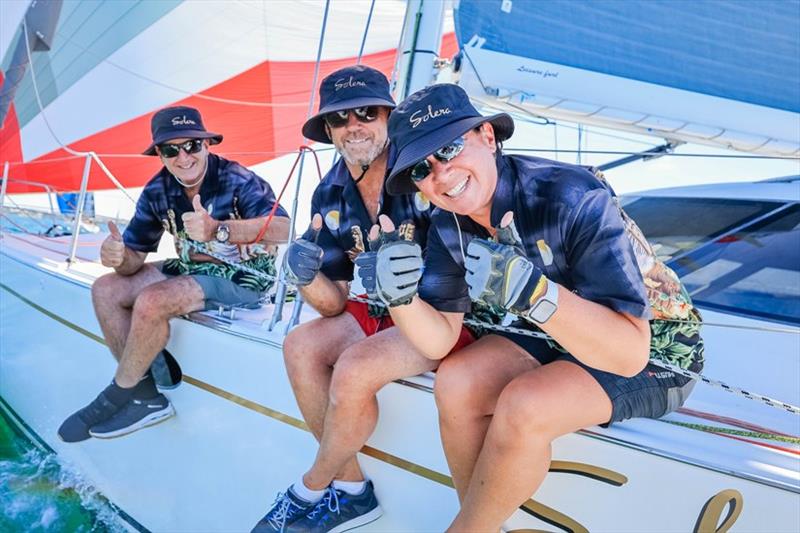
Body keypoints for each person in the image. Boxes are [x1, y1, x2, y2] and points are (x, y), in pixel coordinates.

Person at [370, 83, 704, 531]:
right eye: (420, 170)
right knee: (456, 380)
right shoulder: (447, 222)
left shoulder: (573, 196)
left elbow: (629, 353)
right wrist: (401, 299)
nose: (440, 174)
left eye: (449, 148)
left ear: (488, 137)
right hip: (553, 334)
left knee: (525, 404)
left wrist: (535, 295)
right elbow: (440, 337)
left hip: (659, 349)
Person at [251, 66, 474, 533]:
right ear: (328, 131)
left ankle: (310, 487)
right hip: (375, 311)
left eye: (366, 112)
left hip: (441, 315)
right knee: (299, 345)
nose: (354, 125)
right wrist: (304, 276)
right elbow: (332, 303)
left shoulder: (424, 170)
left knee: (354, 368)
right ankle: (352, 490)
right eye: (339, 118)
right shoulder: (327, 191)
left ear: (388, 116)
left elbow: (458, 275)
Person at [58, 105, 290, 442]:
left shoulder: (237, 179)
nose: (183, 157)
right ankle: (144, 395)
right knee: (105, 289)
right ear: (160, 155)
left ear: (206, 145)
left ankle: (115, 396)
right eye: (171, 150)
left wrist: (218, 230)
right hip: (191, 269)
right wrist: (118, 256)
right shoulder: (157, 190)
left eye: (192, 146)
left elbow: (282, 229)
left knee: (153, 301)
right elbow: (133, 259)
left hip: (245, 277)